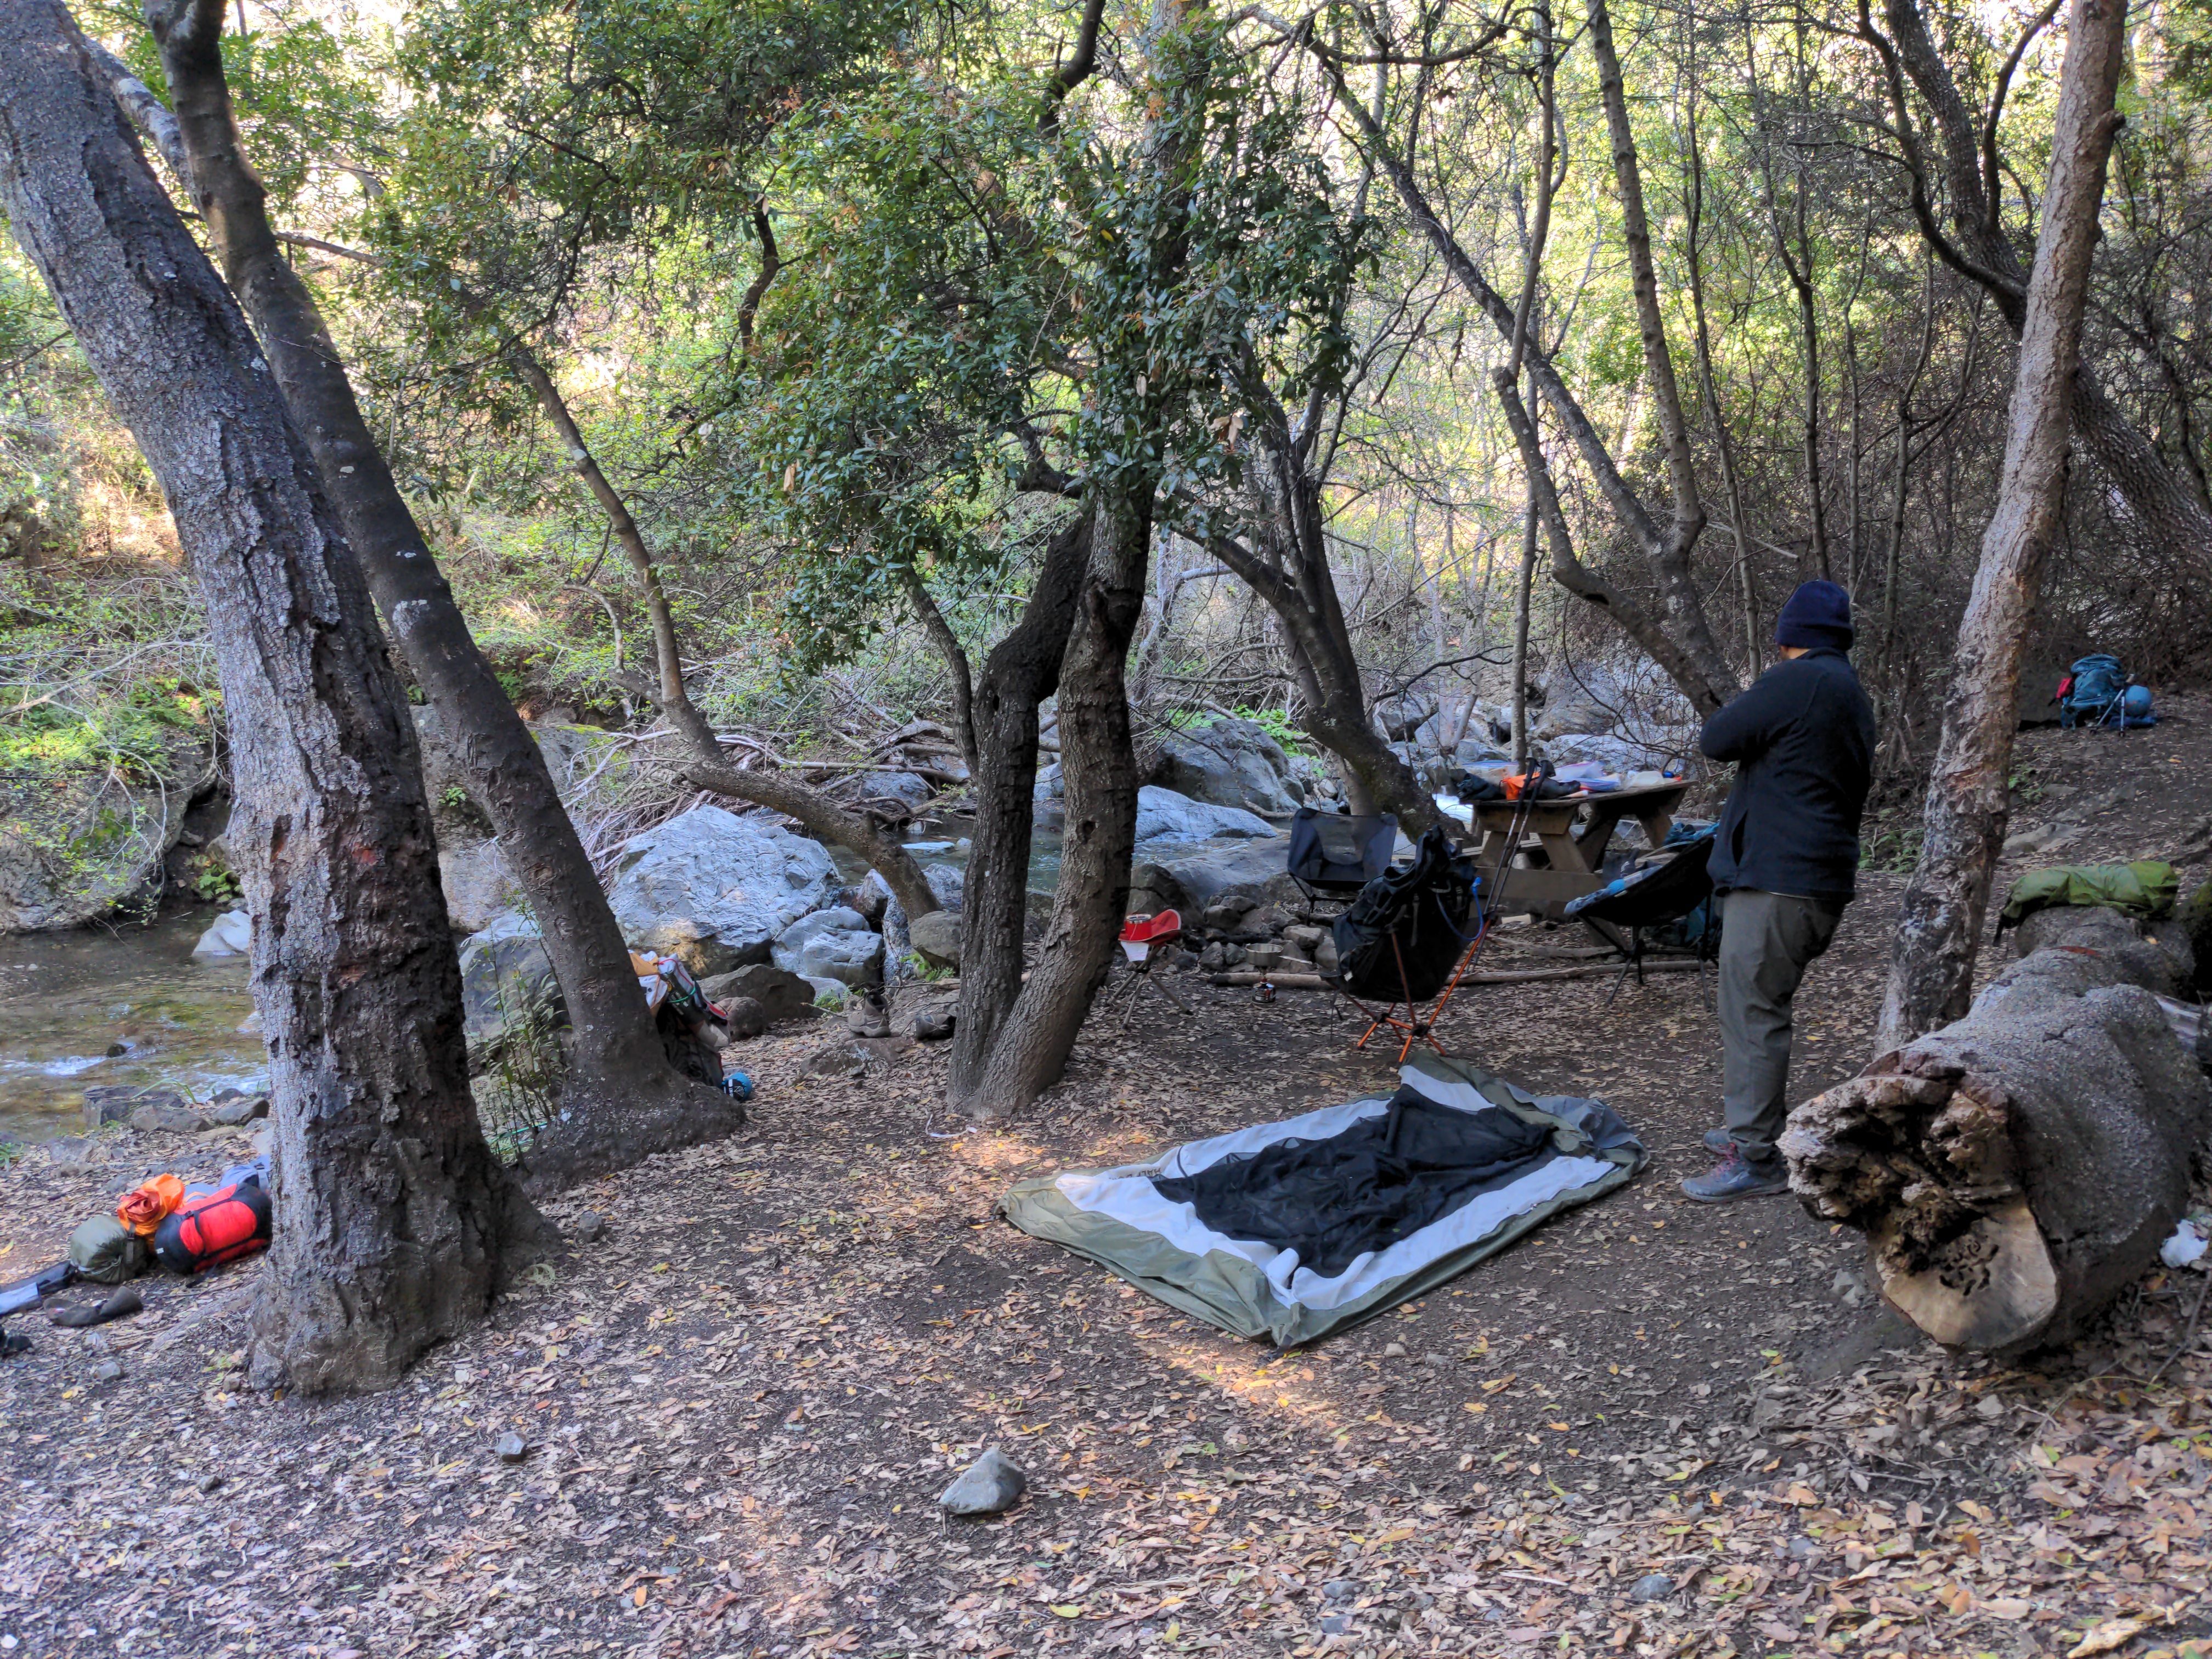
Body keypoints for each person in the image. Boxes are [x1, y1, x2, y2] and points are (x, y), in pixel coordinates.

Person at [1681, 579, 1876, 1202]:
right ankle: (1753, 1129)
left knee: (1753, 1013)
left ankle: (1755, 1155)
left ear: (1788, 635)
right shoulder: (1849, 692)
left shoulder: (1799, 682)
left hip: (1779, 884)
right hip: (1814, 882)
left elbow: (1717, 739)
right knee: (1758, 1009)